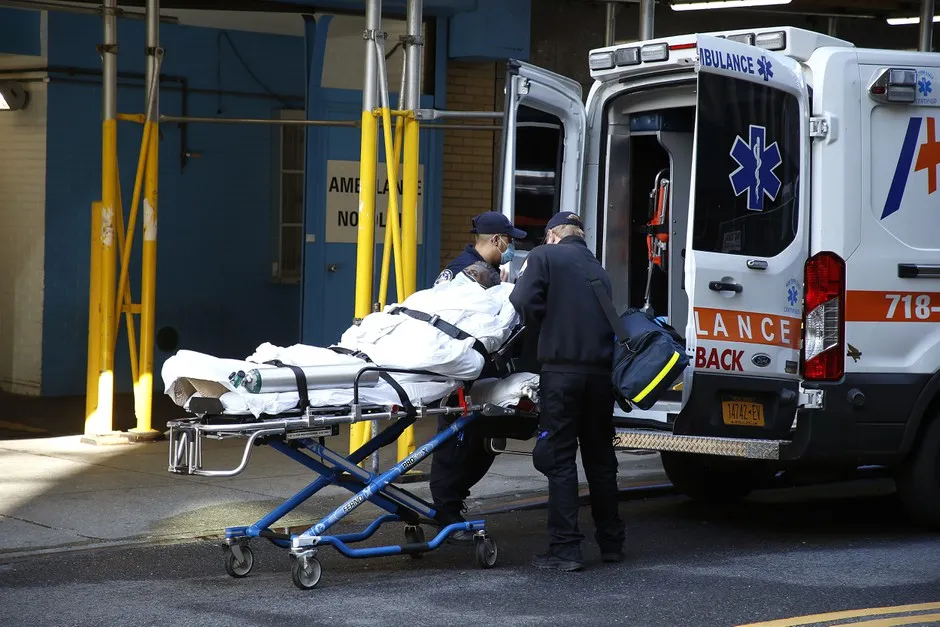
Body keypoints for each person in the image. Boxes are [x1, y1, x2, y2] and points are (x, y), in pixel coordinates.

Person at [509, 211, 626, 572]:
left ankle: (565, 549)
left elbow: (522, 301)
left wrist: (543, 325)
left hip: (562, 374)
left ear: (552, 235)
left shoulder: (543, 256)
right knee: (600, 459)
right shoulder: (597, 268)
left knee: (559, 458)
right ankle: (611, 543)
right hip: (600, 377)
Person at [430, 211, 527, 546]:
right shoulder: (464, 272)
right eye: (510, 240)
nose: (512, 246)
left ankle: (450, 504)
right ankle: (446, 509)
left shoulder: (478, 270)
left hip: (477, 369)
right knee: (457, 441)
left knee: (481, 441)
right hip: (462, 373)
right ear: (497, 240)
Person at [434, 211, 526, 286]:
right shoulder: (462, 268)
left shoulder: (489, 267)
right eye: (509, 239)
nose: (511, 244)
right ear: (496, 240)